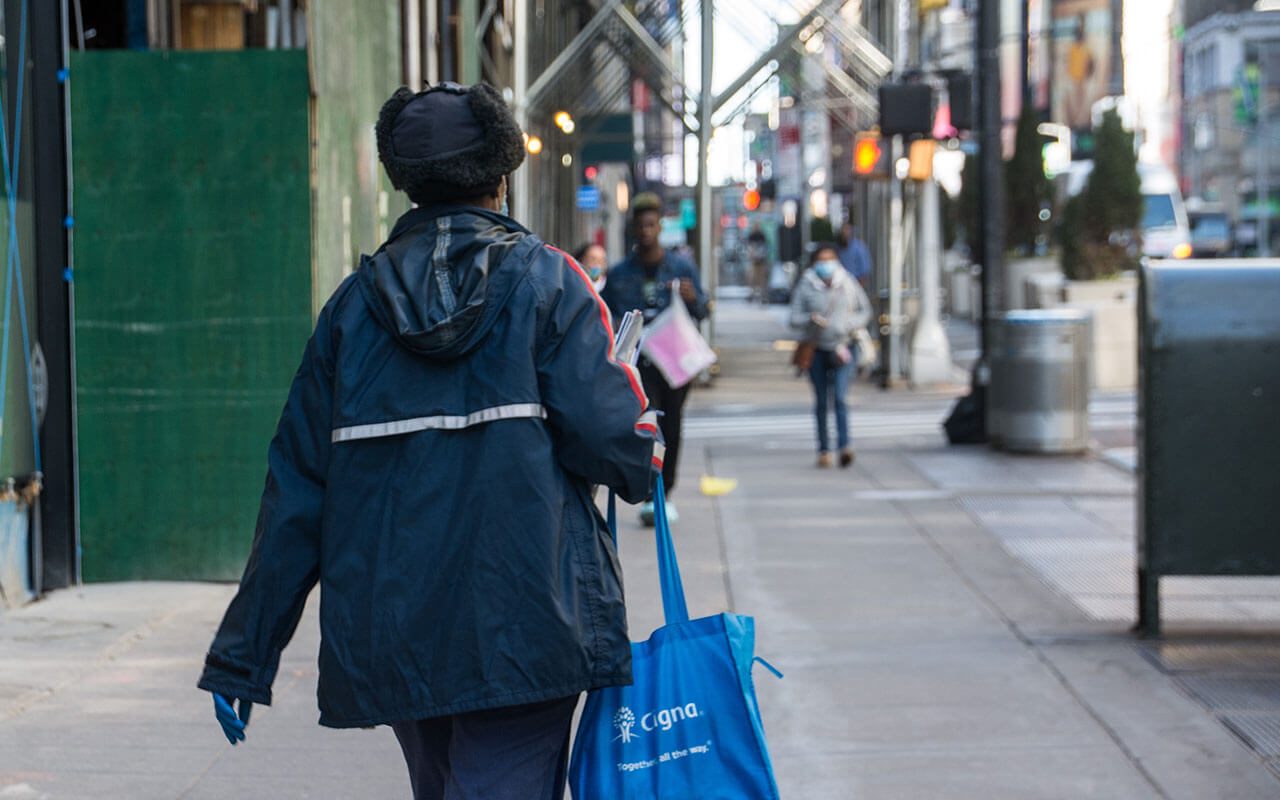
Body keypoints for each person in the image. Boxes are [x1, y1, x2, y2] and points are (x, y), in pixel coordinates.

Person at [197, 81, 661, 800]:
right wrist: (643, 444)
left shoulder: (350, 314)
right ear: (502, 172)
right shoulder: (552, 284)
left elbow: (295, 492)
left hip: (398, 629)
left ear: (403, 179)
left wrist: (244, 658)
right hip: (529, 617)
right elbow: (618, 442)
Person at [601, 192, 709, 525]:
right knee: (646, 426)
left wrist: (692, 298)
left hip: (673, 362)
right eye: (640, 225)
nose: (646, 231)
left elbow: (703, 309)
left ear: (660, 226)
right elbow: (604, 316)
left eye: (651, 224)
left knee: (672, 425)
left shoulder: (681, 267)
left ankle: (666, 493)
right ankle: (649, 492)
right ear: (633, 228)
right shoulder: (619, 273)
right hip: (639, 364)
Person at [790, 243, 872, 469]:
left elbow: (865, 311)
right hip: (816, 350)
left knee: (840, 397)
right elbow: (793, 317)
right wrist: (810, 318)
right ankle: (823, 449)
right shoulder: (806, 284)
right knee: (821, 401)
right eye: (821, 260)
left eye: (830, 259)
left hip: (843, 348)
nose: (826, 264)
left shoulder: (847, 282)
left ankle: (844, 446)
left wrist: (848, 324)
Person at [836, 220, 872, 288]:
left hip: (855, 285)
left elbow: (864, 272)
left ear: (851, 232)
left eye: (846, 230)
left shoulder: (859, 247)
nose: (844, 232)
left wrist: (858, 289)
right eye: (842, 230)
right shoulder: (838, 248)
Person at [747, 224, 770, 303]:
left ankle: (763, 295)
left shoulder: (762, 236)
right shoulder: (751, 236)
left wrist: (760, 256)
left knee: (762, 278)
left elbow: (765, 247)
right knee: (752, 277)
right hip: (753, 261)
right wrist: (752, 255)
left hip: (762, 261)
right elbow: (749, 247)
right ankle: (752, 294)